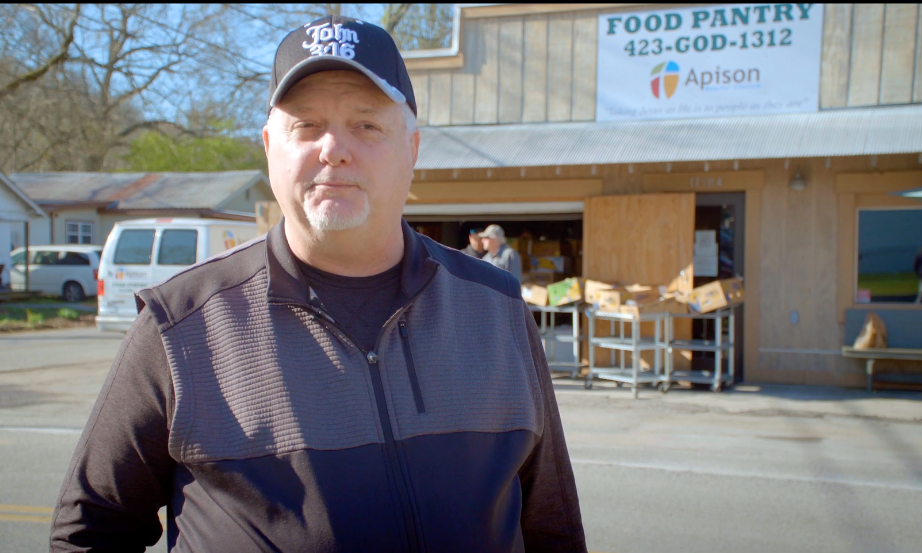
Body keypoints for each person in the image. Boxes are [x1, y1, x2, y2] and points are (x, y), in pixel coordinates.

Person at [50, 15, 585, 552]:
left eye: (367, 125)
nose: (333, 148)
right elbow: (88, 532)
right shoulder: (181, 327)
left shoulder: (496, 310)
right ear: (269, 146)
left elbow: (552, 526)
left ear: (413, 149)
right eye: (306, 125)